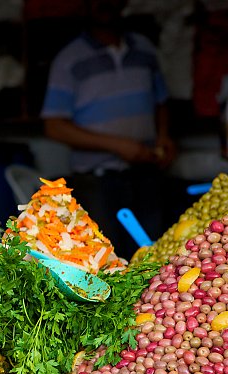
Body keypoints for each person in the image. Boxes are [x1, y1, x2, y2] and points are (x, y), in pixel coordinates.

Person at [40, 0, 178, 259]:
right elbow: (54, 127)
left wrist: (164, 136)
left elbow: (161, 102)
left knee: (153, 256)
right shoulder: (69, 59)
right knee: (104, 260)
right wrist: (117, 146)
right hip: (97, 181)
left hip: (147, 173)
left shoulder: (145, 49)